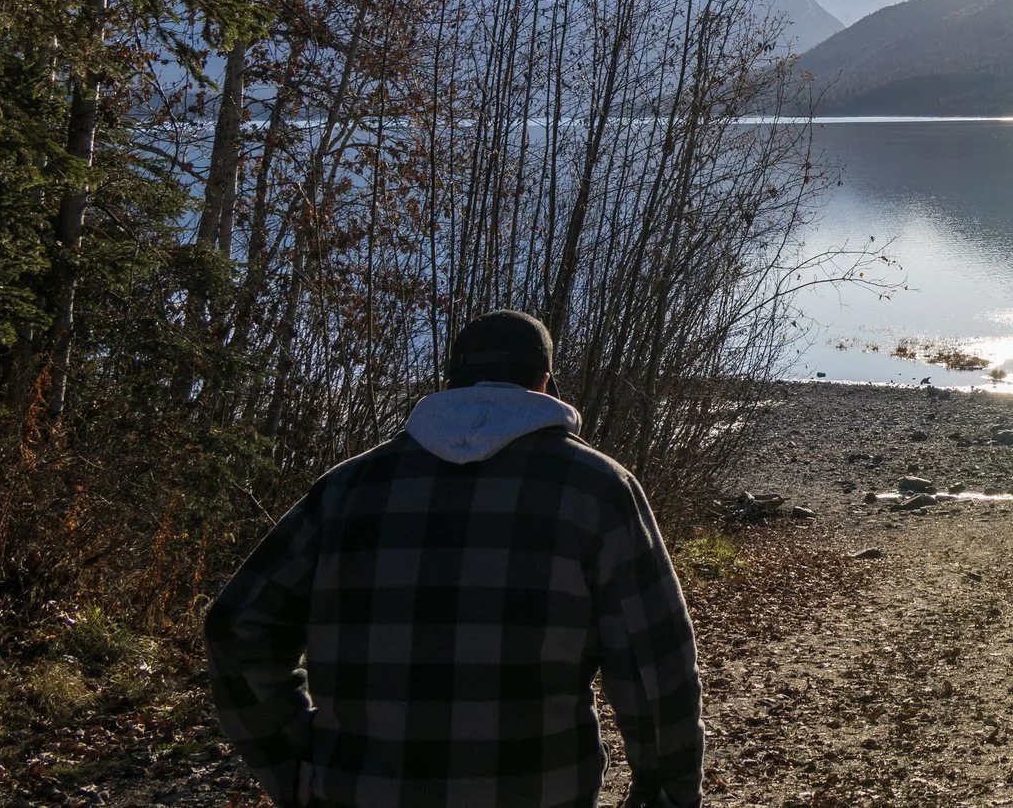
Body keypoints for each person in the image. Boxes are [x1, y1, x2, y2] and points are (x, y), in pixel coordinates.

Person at [205, 310, 702, 808]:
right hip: (538, 792)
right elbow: (652, 660)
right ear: (544, 382)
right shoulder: (597, 489)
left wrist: (295, 765)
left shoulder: (346, 489)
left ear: (451, 382)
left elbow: (238, 626)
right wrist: (665, 791)